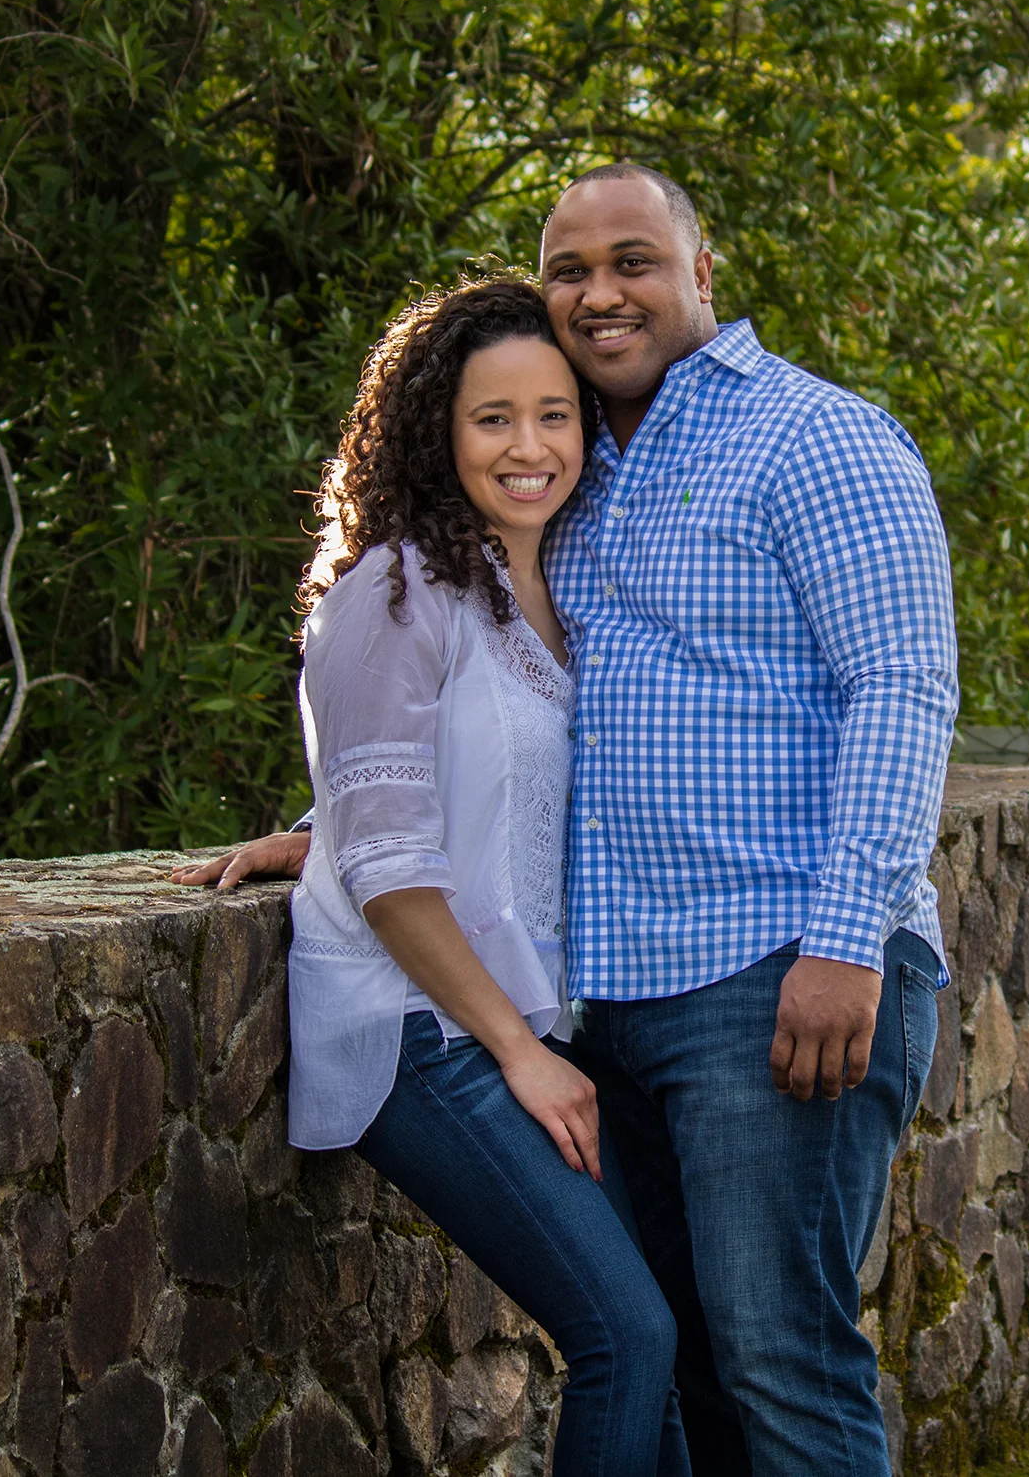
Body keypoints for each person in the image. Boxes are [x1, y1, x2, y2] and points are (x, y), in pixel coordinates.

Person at [196, 163, 958, 1476]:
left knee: (783, 1361)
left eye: (633, 261)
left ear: (701, 272)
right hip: (618, 1005)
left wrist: (847, 939)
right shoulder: (580, 470)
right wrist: (344, 831)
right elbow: (536, 725)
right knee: (698, 1371)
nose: (601, 293)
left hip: (778, 970)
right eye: (570, 269)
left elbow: (902, 689)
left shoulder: (817, 438)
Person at [178, 278, 689, 1476]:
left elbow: (453, 790)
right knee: (625, 1337)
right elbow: (393, 863)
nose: (529, 447)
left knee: (661, 1344)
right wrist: (521, 1052)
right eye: (492, 418)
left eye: (554, 415)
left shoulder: (558, 592)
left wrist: (323, 824)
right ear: (435, 433)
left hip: (528, 1021)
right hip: (425, 1030)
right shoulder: (398, 592)